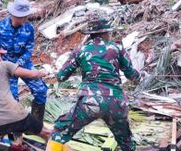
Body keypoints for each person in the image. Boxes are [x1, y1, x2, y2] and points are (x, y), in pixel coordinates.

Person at [46, 18, 142, 151]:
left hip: (90, 102)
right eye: (110, 33)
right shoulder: (118, 48)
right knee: (126, 143)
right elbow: (132, 76)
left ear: (91, 34)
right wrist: (139, 76)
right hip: (116, 102)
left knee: (59, 131)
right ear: (105, 33)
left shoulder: (80, 50)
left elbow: (61, 77)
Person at [0, 0, 47, 122]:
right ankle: (15, 132)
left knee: (41, 90)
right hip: (6, 65)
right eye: (22, 16)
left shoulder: (29, 28)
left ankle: (35, 125)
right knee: (12, 98)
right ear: (13, 14)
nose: (25, 19)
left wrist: (18, 64)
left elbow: (29, 50)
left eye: (26, 16)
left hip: (23, 63)